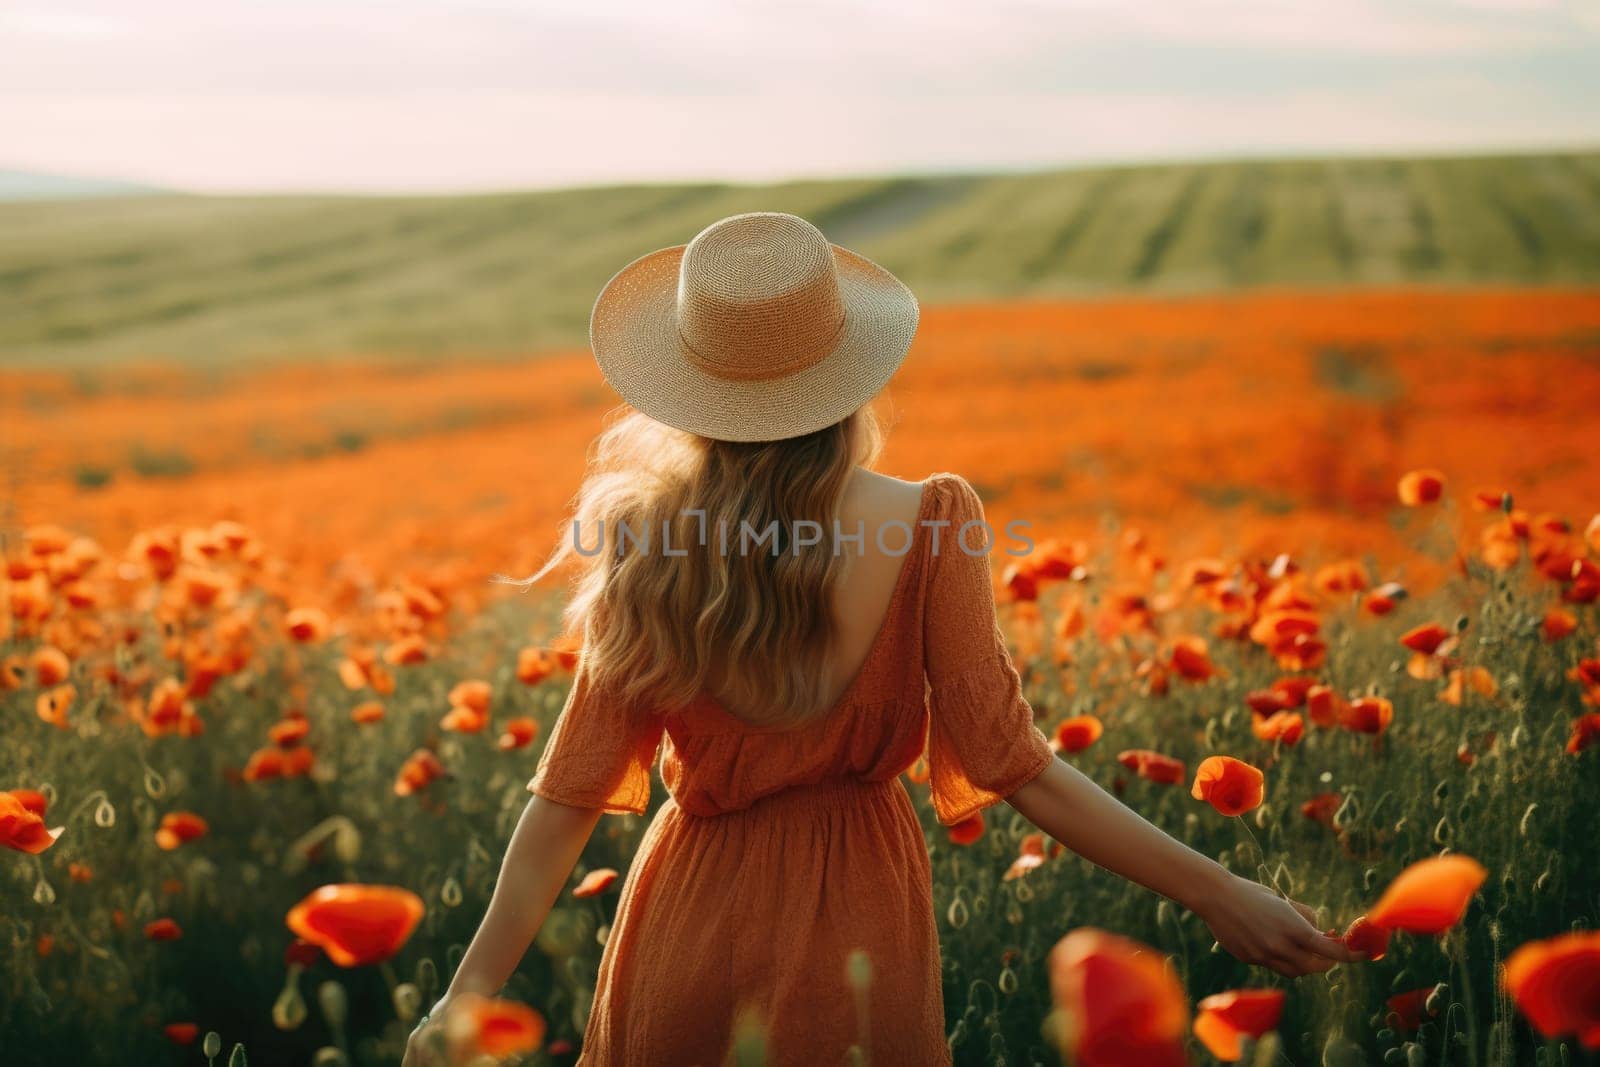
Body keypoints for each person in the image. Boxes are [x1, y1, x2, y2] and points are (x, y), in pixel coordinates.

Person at [403, 212, 1356, 1066]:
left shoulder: (648, 541)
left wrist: (465, 997)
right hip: (858, 926)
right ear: (849, 368)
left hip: (686, 922)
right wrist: (1217, 890)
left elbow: (566, 800)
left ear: (687, 385)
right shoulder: (932, 521)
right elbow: (1019, 767)